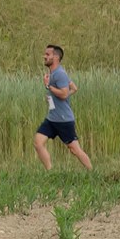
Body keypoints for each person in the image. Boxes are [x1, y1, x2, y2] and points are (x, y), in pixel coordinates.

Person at [35, 43, 93, 172]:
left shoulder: (60, 74)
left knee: (74, 149)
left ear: (56, 57)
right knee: (38, 143)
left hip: (63, 119)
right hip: (52, 119)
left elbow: (64, 93)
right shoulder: (54, 73)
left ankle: (91, 171)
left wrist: (49, 87)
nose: (44, 56)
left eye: (47, 54)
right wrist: (53, 97)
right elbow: (74, 88)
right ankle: (50, 172)